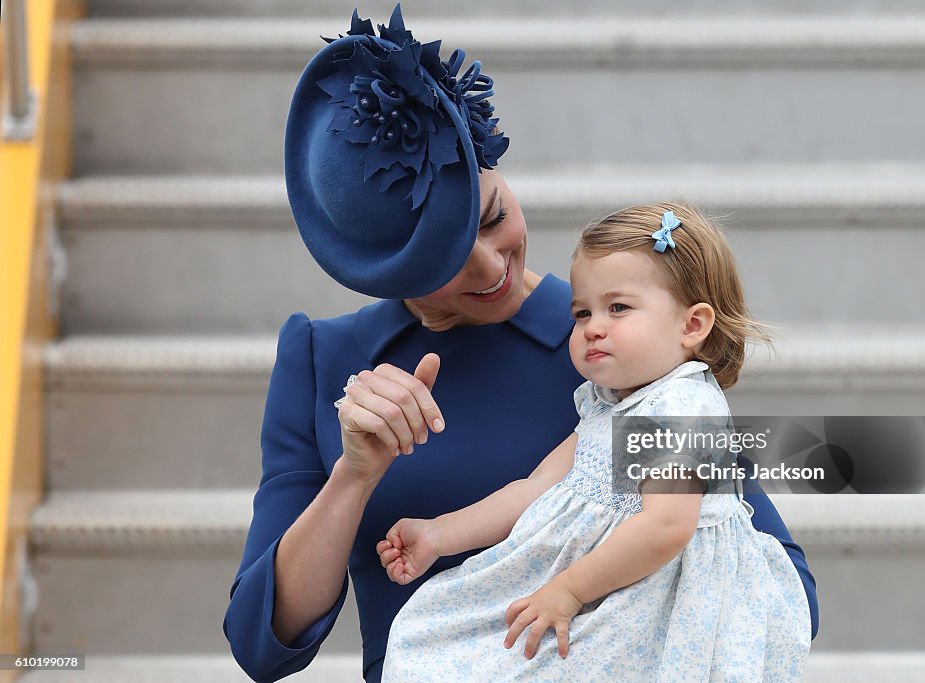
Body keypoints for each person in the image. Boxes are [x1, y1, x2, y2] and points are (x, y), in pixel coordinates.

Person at [222, 7, 818, 683]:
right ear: (382, 268)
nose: (490, 267)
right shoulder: (322, 360)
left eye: (495, 216)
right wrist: (355, 476)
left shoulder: (630, 354)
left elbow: (767, 574)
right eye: (446, 261)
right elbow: (261, 644)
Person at [378, 202, 811, 681]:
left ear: (692, 325)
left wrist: (567, 591)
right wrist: (440, 534)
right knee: (437, 643)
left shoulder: (682, 406)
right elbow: (537, 486)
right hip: (590, 587)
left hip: (654, 602)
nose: (593, 327)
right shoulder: (605, 403)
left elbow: (665, 527)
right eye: (582, 312)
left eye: (618, 308)